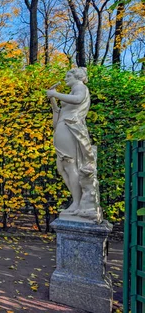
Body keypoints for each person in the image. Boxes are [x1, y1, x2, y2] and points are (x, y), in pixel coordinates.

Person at [46, 67, 100, 220]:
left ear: (77, 76)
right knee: (62, 167)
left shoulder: (80, 88)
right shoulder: (71, 93)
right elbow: (57, 118)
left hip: (70, 127)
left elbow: (77, 100)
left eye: (68, 75)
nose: (65, 78)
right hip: (63, 127)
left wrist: (55, 94)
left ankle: (77, 203)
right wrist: (53, 100)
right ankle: (76, 201)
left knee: (70, 165)